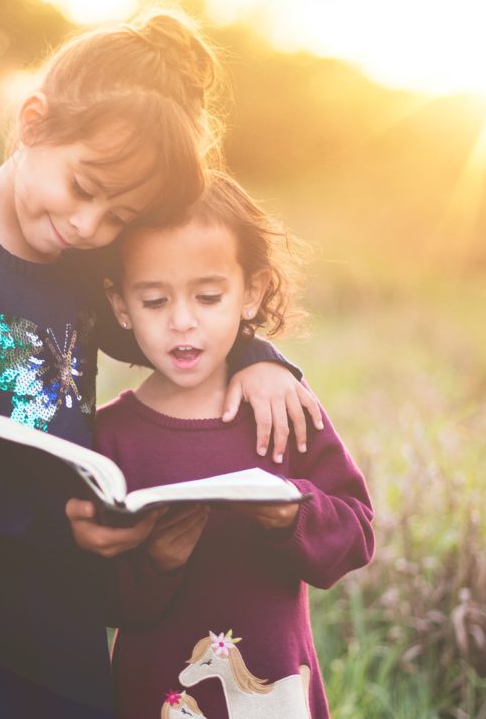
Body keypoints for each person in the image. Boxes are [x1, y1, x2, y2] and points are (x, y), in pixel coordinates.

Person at [0, 11, 321, 719]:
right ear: (33, 122)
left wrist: (259, 357)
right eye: (84, 188)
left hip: (59, 579)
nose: (89, 227)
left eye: (118, 217)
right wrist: (58, 521)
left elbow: (163, 335)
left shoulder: (74, 259)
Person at [99, 172, 375, 719]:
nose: (182, 322)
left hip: (273, 690)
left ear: (251, 291)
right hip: (154, 695)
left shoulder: (281, 408)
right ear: (121, 304)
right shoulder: (110, 437)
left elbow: (357, 533)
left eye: (208, 296)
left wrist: (292, 511)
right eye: (154, 300)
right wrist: (154, 561)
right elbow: (95, 598)